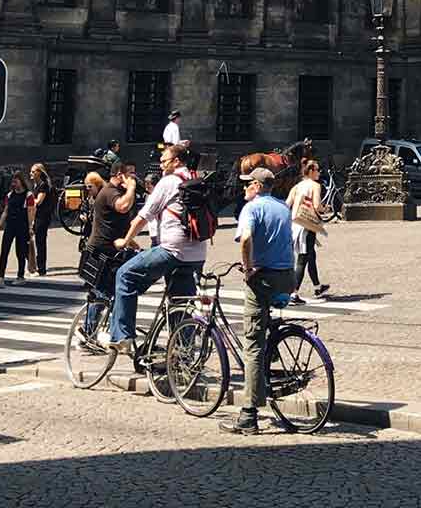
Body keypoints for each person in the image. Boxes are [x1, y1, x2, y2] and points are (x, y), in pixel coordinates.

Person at [107, 145, 206, 354]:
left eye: (164, 161)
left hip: (172, 249)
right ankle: (183, 357)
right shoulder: (197, 178)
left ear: (177, 161)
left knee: (125, 275)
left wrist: (125, 240)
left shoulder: (169, 182)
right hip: (196, 253)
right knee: (180, 303)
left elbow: (144, 216)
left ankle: (122, 336)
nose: (161, 165)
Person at [220, 167, 297, 436]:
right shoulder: (283, 207)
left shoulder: (251, 209)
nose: (243, 189)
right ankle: (272, 353)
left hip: (262, 278)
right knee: (265, 332)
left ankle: (248, 415)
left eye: (246, 185)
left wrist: (247, 266)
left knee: (252, 345)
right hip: (287, 277)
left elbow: (247, 239)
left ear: (255, 185)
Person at [82, 168, 136, 332]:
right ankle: (88, 332)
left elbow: (115, 225)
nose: (133, 178)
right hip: (103, 251)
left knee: (110, 291)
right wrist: (131, 188)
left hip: (109, 248)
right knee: (103, 292)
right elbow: (123, 206)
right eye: (130, 175)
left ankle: (106, 330)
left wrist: (131, 242)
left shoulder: (114, 191)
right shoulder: (110, 192)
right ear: (120, 175)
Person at [287, 159, 329, 305]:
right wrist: (325, 209)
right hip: (307, 225)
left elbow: (288, 203)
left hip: (295, 224)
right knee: (303, 259)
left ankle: (318, 287)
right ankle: (294, 293)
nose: (319, 173)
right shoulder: (315, 186)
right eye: (317, 170)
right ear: (311, 171)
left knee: (311, 255)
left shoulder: (297, 186)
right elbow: (317, 206)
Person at [0, 172, 32, 286]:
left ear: (21, 181)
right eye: (13, 182)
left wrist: (31, 227)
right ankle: (1, 277)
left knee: (20, 252)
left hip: (22, 226)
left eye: (16, 181)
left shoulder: (28, 195)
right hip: (10, 225)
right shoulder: (10, 195)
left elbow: (30, 211)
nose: (14, 184)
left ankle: (20, 276)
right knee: (4, 250)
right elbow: (5, 211)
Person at [28, 163, 54, 277]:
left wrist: (28, 200)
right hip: (37, 216)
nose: (31, 173)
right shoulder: (36, 185)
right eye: (31, 171)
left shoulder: (43, 186)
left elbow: (39, 201)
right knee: (36, 241)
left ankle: (41, 269)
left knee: (40, 242)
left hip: (42, 217)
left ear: (39, 173)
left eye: (33, 172)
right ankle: (36, 266)